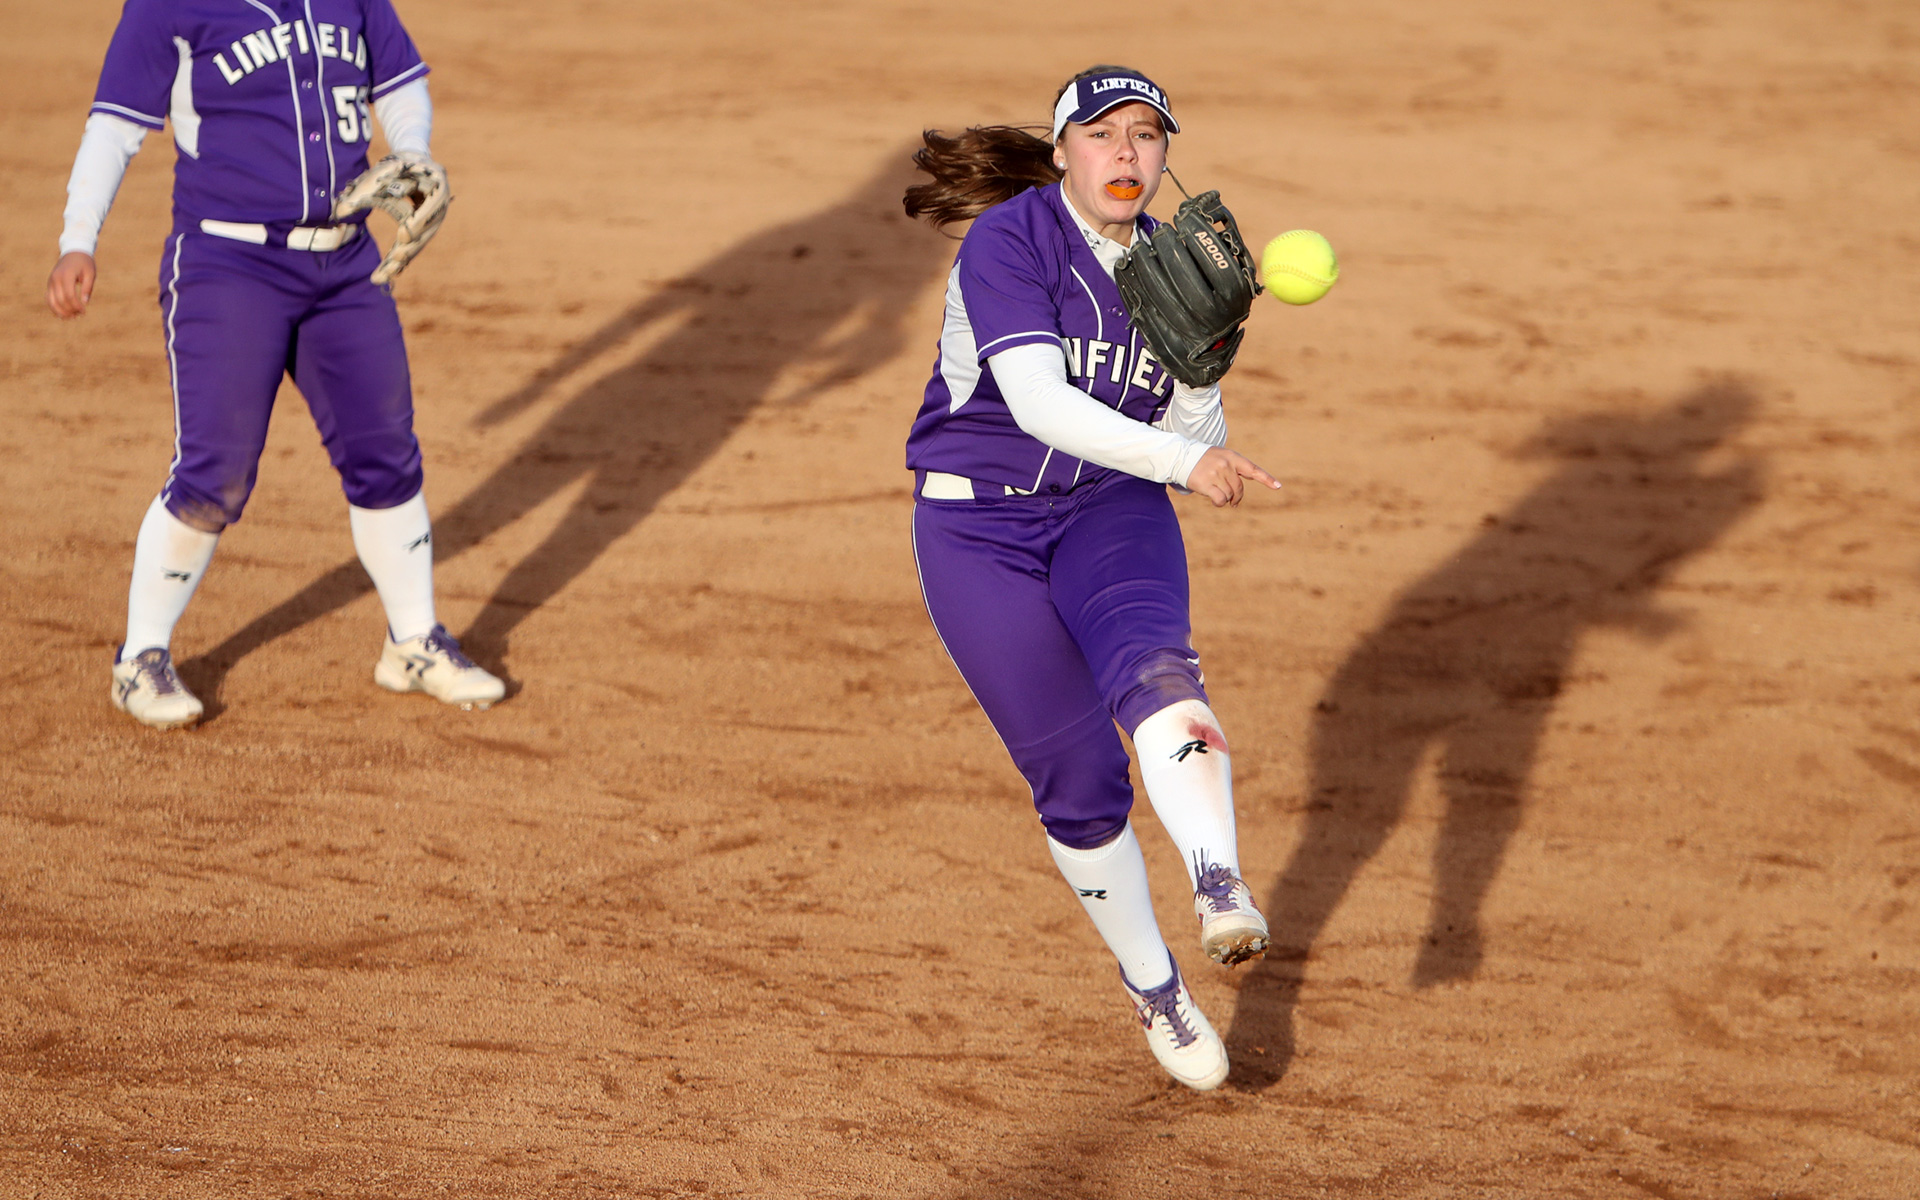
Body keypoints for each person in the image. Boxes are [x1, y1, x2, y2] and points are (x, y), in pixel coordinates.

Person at [902, 66, 1280, 1091]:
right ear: (1062, 150)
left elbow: (1186, 432)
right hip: (978, 534)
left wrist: (1204, 371)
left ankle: (1217, 880)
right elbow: (1038, 404)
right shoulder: (1010, 242)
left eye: (1148, 137)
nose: (1128, 153)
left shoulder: (1177, 263)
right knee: (1079, 783)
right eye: (1104, 134)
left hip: (1111, 509)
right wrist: (1188, 459)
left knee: (1156, 673)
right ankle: (1156, 986)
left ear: (1166, 158)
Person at [47, 0, 503, 730]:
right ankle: (140, 658)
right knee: (214, 470)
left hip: (347, 266)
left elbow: (400, 79)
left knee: (384, 451)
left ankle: (411, 642)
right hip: (229, 265)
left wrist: (411, 151)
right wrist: (79, 237)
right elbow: (116, 124)